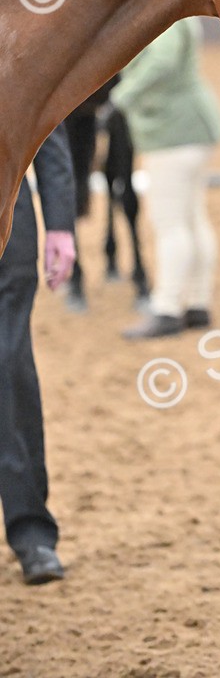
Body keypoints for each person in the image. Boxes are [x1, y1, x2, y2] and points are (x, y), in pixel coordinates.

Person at [112, 18, 220, 340]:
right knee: (192, 219)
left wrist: (120, 98)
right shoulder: (180, 15)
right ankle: (198, 303)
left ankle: (167, 309)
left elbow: (162, 60)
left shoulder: (168, 17)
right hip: (189, 127)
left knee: (169, 223)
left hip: (172, 131)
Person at [0, 123, 76, 585]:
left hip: (8, 213)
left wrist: (60, 223)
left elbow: (46, 118)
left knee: (9, 366)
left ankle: (31, 532)